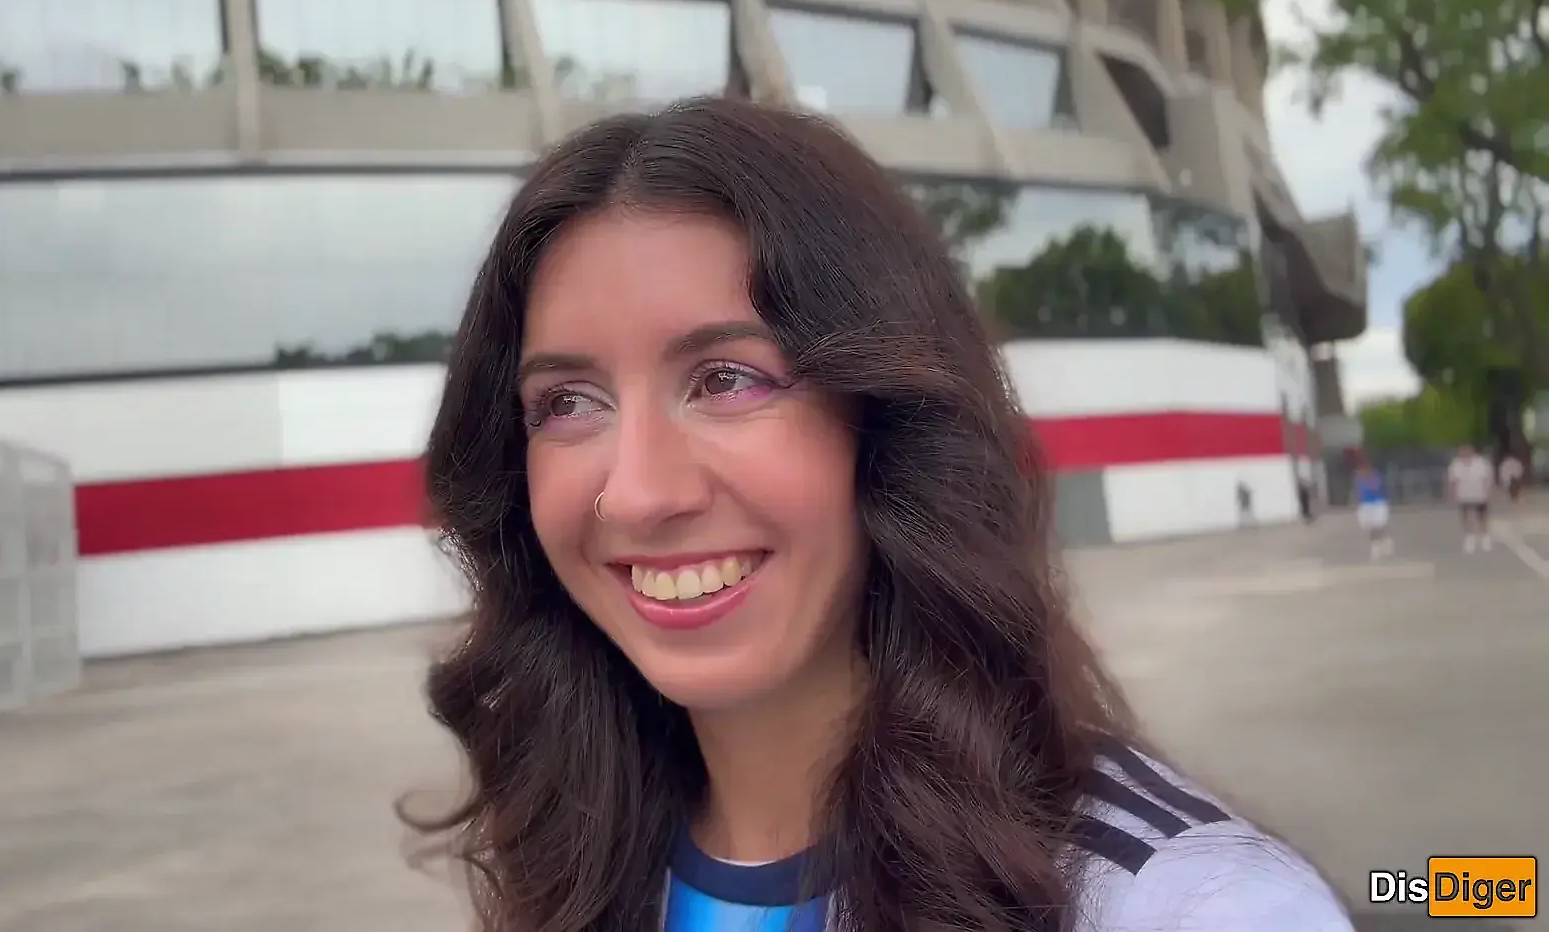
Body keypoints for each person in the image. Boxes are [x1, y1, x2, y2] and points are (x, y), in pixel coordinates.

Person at [403, 99, 1352, 932]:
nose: (641, 495)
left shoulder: (1187, 904)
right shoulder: (572, 858)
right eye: (568, 402)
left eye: (727, 380)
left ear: (888, 423)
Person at [1447, 444, 1495, 553]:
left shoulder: (1481, 462)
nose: (1464, 453)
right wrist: (1452, 494)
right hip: (1463, 495)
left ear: (1472, 451)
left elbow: (1488, 478)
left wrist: (1489, 492)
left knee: (1482, 517)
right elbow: (1452, 481)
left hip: (1480, 494)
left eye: (1466, 451)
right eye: (1462, 451)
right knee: (1466, 517)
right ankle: (1470, 537)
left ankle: (1485, 538)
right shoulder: (1456, 464)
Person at [1352, 458, 1392, 561]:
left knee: (1377, 526)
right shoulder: (1358, 478)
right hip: (1365, 505)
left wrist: (1367, 478)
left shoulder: (1376, 475)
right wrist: (1357, 503)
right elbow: (1358, 492)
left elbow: (1377, 487)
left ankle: (1376, 548)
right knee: (1369, 526)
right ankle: (1382, 541)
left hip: (1378, 504)